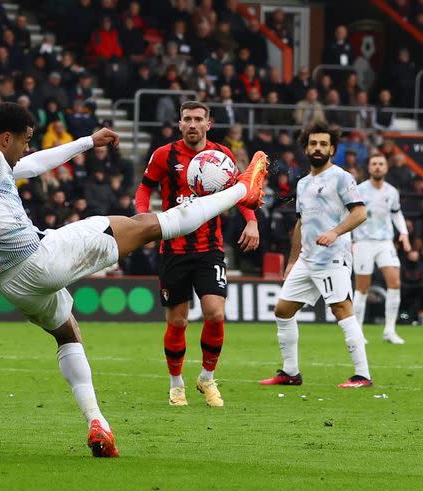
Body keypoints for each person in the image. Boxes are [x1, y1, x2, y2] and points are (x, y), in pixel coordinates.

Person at [0, 102, 268, 457]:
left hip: (10, 282)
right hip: (37, 259)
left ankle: (98, 423)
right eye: (25, 141)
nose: (26, 149)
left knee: (67, 333)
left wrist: (87, 142)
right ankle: (240, 191)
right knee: (146, 226)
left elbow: (31, 165)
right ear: (6, 138)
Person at [134, 101, 260, 408]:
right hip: (173, 249)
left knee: (215, 313)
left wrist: (252, 222)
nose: (192, 124)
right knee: (177, 322)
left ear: (208, 124)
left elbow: (239, 192)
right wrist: (143, 220)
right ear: (179, 124)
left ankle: (206, 377)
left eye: (198, 119)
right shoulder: (164, 155)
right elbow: (143, 189)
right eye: (186, 119)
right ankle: (176, 385)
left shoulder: (222, 156)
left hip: (209, 249)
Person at [260, 122, 371, 388]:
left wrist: (335, 232)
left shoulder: (342, 177)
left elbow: (360, 213)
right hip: (307, 260)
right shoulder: (303, 184)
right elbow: (301, 224)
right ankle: (290, 373)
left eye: (323, 144)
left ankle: (362, 374)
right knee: (283, 310)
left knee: (341, 309)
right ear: (306, 148)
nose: (318, 148)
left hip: (333, 257)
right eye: (313, 143)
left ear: (332, 148)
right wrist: (291, 261)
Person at [352, 154, 411, 343]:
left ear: (386, 168)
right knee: (362, 288)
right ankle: (357, 332)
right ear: (369, 168)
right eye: (374, 164)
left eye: (381, 164)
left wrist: (403, 233)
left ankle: (389, 330)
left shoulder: (391, 191)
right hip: (363, 242)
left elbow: (396, 213)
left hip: (385, 242)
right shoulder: (359, 190)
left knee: (395, 283)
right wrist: (349, 240)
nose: (377, 167)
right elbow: (349, 215)